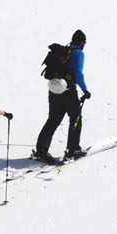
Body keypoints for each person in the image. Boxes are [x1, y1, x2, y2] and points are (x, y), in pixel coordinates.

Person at [33, 29, 91, 165]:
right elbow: (78, 73)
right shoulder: (78, 53)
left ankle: (41, 149)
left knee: (53, 119)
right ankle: (73, 149)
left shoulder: (64, 51)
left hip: (54, 89)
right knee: (75, 117)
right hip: (68, 90)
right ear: (82, 43)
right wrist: (85, 90)